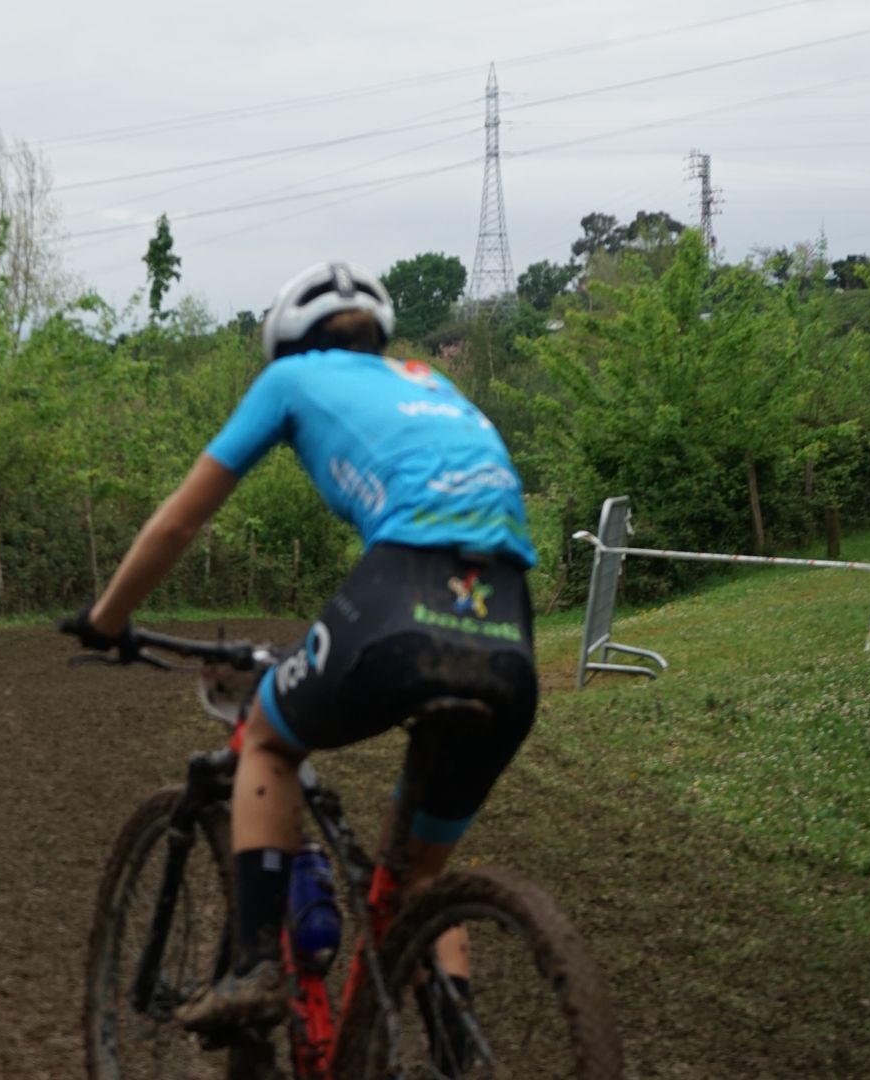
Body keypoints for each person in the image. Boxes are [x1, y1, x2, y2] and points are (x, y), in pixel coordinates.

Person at [63, 261, 539, 1037]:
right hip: (509, 627)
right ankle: (460, 1050)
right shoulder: (432, 383)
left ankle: (255, 968)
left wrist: (107, 617)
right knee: (419, 877)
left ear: (286, 341)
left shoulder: (290, 379)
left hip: (400, 598)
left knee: (266, 738)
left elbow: (180, 520)